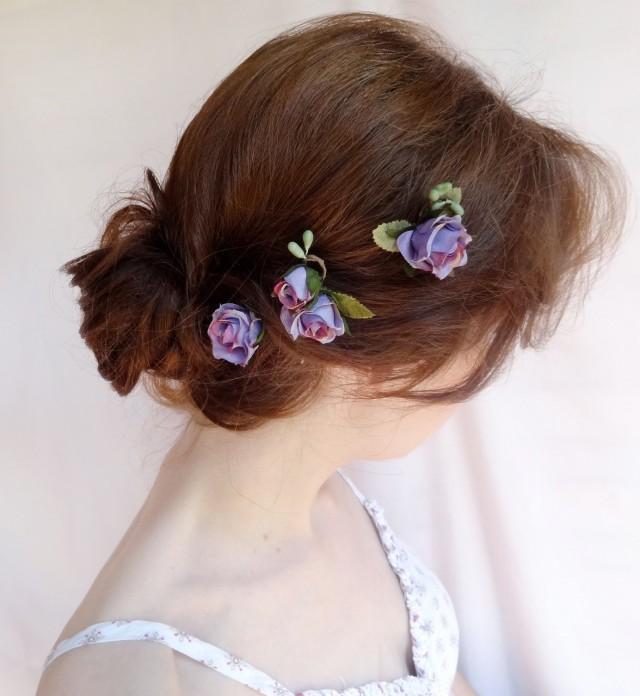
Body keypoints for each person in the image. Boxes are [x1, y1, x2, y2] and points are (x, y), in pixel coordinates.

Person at [35, 10, 626, 696]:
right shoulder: (140, 681)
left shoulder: (327, 499)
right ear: (382, 351)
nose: (483, 369)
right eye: (489, 329)